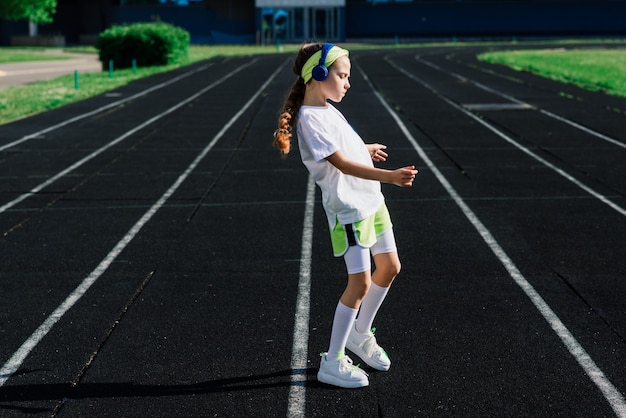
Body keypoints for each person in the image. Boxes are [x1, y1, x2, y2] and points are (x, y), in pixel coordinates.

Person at [273, 42, 418, 388]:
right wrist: (391, 177)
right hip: (350, 210)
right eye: (343, 75)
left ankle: (360, 334)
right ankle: (333, 360)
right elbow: (339, 164)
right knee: (360, 282)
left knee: (391, 267)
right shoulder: (310, 119)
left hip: (371, 202)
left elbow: (343, 149)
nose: (348, 83)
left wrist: (364, 149)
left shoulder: (327, 107)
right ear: (318, 75)